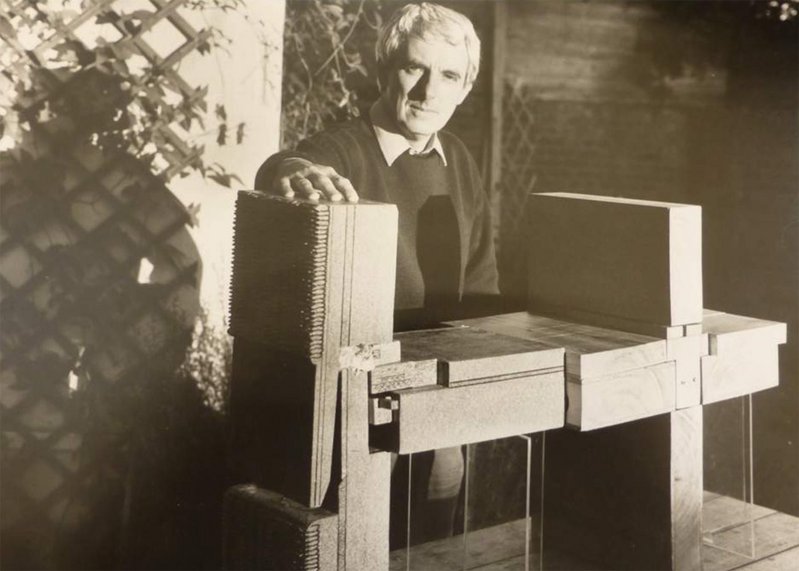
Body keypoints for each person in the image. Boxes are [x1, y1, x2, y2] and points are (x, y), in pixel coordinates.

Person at [255, 2, 499, 545]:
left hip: (435, 395)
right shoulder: (340, 151)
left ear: (465, 87)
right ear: (385, 70)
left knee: (432, 536)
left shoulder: (457, 159)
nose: (429, 91)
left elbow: (480, 283)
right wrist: (295, 171)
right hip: (354, 402)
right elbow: (283, 166)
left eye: (449, 76)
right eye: (414, 68)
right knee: (359, 539)